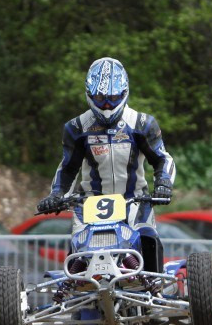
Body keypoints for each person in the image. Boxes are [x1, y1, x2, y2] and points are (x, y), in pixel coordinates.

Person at [37, 57, 176, 273]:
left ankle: (153, 289)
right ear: (90, 94)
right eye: (101, 98)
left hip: (134, 200)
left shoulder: (142, 123)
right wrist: (56, 195)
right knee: (78, 248)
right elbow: (67, 168)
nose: (108, 105)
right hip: (89, 203)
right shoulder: (76, 127)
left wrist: (164, 183)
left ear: (124, 92)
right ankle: (75, 290)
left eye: (113, 98)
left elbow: (162, 158)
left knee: (147, 238)